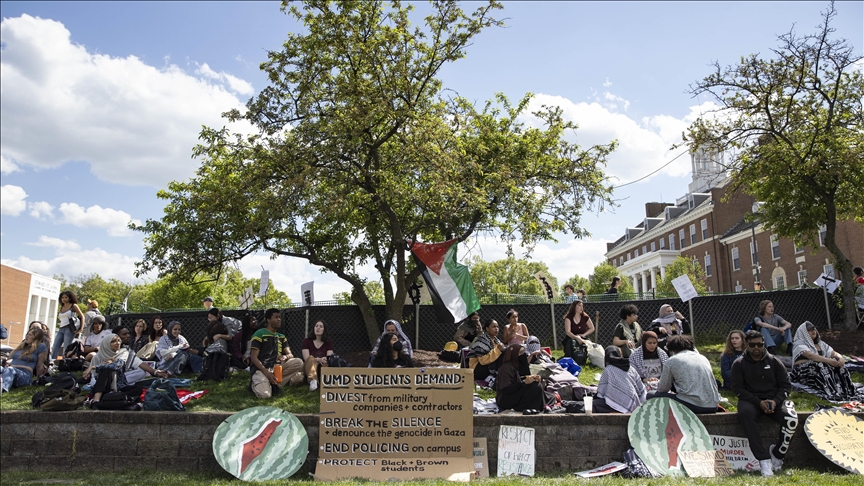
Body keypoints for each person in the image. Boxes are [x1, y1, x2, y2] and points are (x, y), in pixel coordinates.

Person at [731, 330, 796, 477]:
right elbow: (738, 389)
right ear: (746, 344)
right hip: (751, 401)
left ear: (763, 344)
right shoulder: (739, 364)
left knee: (791, 418)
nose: (756, 348)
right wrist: (758, 402)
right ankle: (764, 460)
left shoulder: (774, 361)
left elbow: (786, 386)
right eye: (752, 344)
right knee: (745, 414)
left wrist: (776, 401)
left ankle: (778, 454)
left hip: (774, 399)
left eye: (759, 344)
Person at [790, 321, 863, 402]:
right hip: (801, 372)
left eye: (813, 329)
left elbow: (833, 353)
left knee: (839, 367)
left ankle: (845, 390)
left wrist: (840, 358)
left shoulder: (821, 344)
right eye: (809, 330)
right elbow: (811, 356)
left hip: (820, 366)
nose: (813, 331)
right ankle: (830, 391)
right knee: (821, 365)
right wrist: (829, 361)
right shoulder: (799, 344)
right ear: (803, 333)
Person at [651, 335, 720, 414]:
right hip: (713, 405)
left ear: (672, 349)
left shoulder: (672, 360)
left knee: (651, 395)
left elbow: (662, 389)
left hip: (693, 405)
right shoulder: (703, 358)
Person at [249, 308, 305, 398]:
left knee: (298, 362)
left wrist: (285, 357)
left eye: (280, 317)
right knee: (265, 395)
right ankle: (255, 384)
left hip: (277, 367)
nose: (279, 319)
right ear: (268, 320)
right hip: (261, 368)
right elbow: (253, 357)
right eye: (276, 317)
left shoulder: (281, 336)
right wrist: (266, 372)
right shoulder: (259, 334)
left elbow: (290, 354)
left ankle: (274, 384)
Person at [595, 345, 647, 413]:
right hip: (634, 403)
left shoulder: (608, 369)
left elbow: (601, 393)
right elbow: (641, 388)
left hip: (614, 406)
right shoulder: (631, 368)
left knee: (594, 405)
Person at [495, 344, 544, 413]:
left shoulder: (519, 365)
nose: (523, 355)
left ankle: (534, 408)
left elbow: (524, 377)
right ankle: (522, 408)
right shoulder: (506, 369)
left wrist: (533, 378)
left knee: (537, 385)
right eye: (521, 353)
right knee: (535, 387)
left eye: (524, 352)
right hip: (505, 399)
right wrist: (524, 382)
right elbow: (506, 390)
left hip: (515, 393)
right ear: (514, 354)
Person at [51, 290, 86, 361]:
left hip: (69, 329)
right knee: (55, 346)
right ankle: (52, 362)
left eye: (66, 297)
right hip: (61, 328)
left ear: (70, 298)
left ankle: (65, 363)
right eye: (62, 297)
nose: (64, 299)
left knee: (66, 348)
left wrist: (81, 329)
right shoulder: (62, 307)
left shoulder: (73, 306)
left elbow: (82, 316)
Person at [302, 320, 334, 392]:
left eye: (321, 326)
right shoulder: (306, 341)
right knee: (311, 358)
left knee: (326, 362)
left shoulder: (328, 341)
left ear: (324, 329)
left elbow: (329, 356)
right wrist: (318, 359)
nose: (318, 328)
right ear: (313, 328)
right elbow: (306, 358)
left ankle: (324, 381)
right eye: (316, 326)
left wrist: (323, 359)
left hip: (321, 366)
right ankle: (313, 381)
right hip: (310, 366)